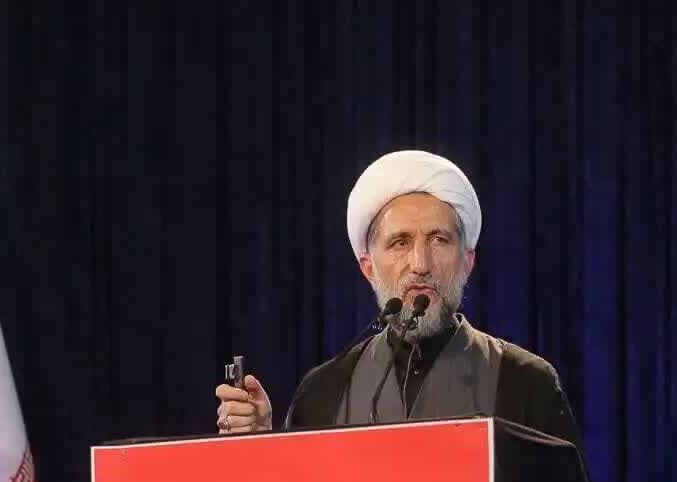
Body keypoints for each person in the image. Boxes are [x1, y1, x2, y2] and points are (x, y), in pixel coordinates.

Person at [215, 149, 580, 444]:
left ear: (468, 262)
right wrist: (261, 444)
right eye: (400, 242)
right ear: (368, 268)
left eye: (439, 239)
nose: (420, 264)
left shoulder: (527, 384)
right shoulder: (322, 392)